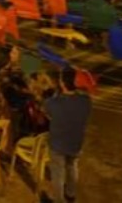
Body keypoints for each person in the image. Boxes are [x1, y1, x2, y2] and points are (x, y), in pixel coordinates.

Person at [43, 68, 92, 203]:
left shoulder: (53, 102)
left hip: (58, 144)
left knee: (58, 173)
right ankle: (71, 194)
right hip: (76, 142)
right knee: (72, 166)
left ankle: (59, 200)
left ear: (62, 83)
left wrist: (55, 94)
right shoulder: (86, 100)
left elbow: (47, 114)